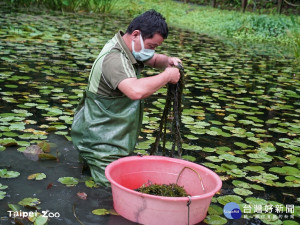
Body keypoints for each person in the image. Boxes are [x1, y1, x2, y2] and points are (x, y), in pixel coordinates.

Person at [71, 9, 181, 186]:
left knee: (89, 184)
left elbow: (151, 60)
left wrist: (167, 61)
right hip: (101, 146)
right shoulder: (115, 59)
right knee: (108, 196)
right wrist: (168, 76)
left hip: (106, 138)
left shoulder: (127, 47)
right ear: (136, 34)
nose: (152, 51)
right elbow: (135, 91)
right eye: (152, 46)